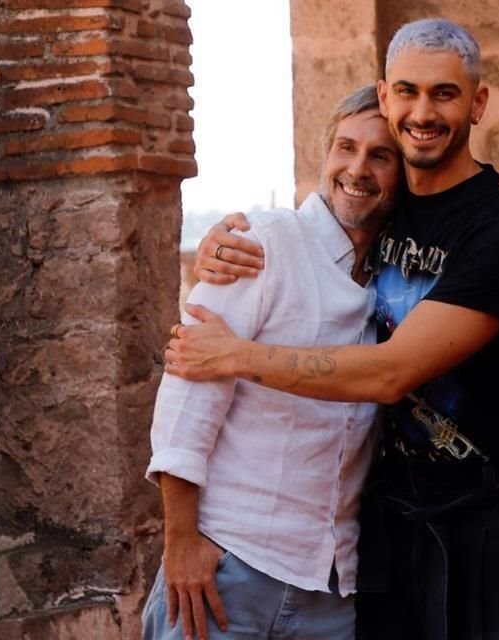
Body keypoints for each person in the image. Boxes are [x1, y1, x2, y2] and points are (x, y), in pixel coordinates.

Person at [168, 18, 499, 640]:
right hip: (392, 534)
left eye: (445, 93)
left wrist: (236, 355)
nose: (424, 111)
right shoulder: (385, 210)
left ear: (477, 103)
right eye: (408, 91)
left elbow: (393, 372)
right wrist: (223, 243)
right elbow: (319, 235)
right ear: (386, 97)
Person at [142, 85, 397, 640]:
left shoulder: (397, 281)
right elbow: (189, 391)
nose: (357, 169)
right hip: (226, 572)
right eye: (345, 148)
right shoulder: (265, 243)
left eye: (381, 155)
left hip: (330, 591)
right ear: (325, 154)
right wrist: (180, 544)